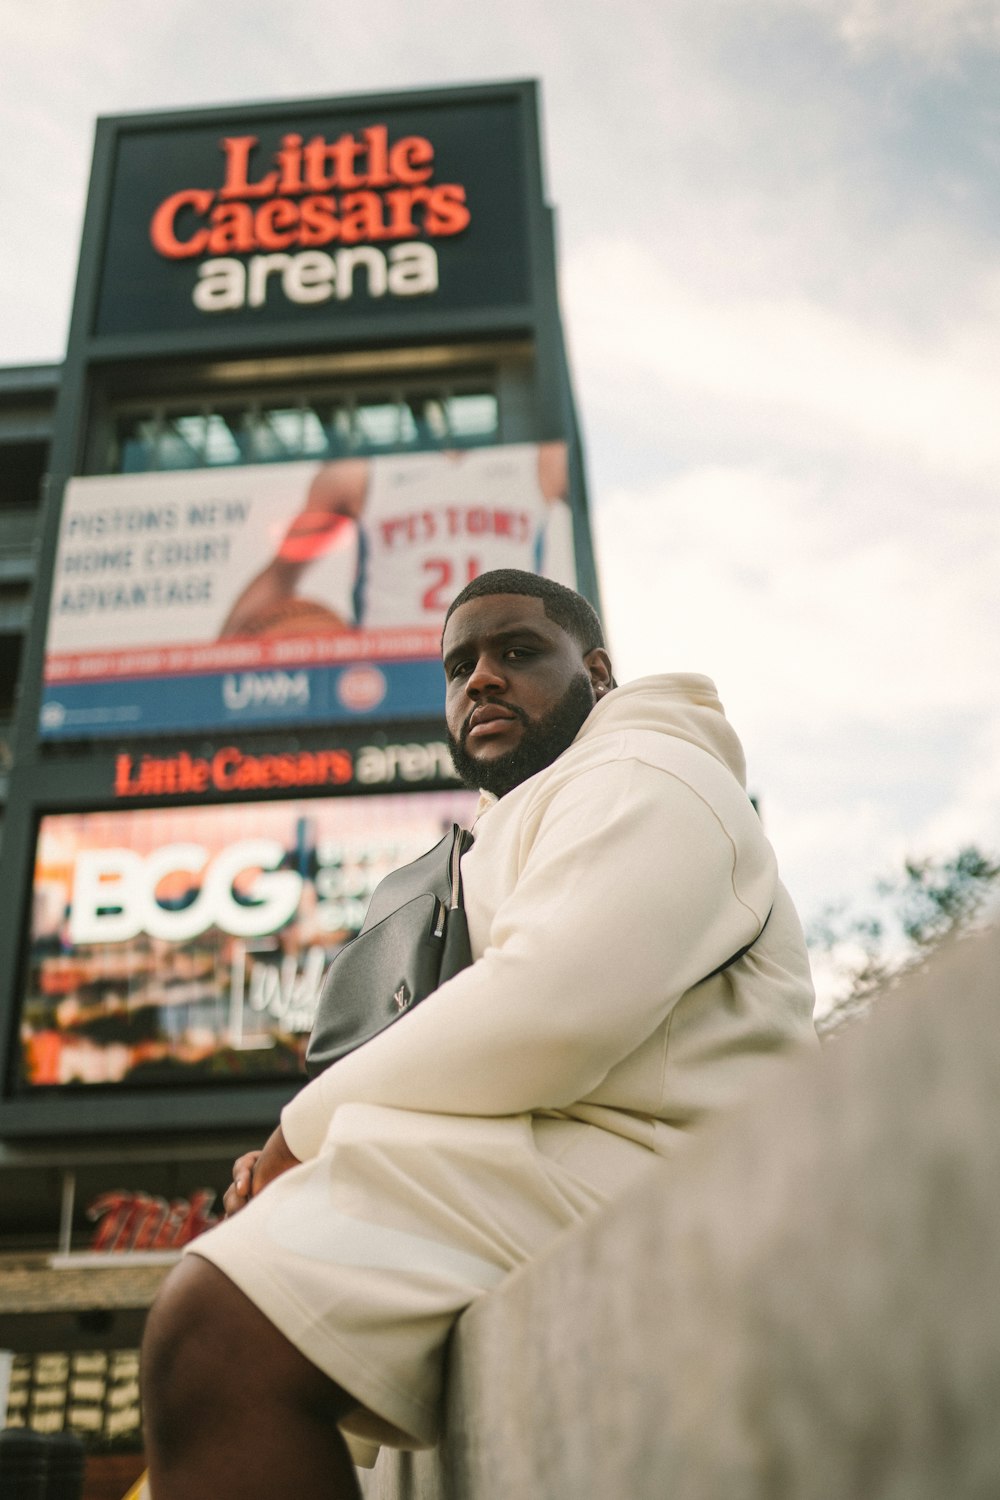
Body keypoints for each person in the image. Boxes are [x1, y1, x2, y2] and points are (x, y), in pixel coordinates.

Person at [142, 569, 816, 1499]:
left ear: (601, 673)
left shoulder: (649, 771)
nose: (483, 680)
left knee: (218, 1330)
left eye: (518, 651)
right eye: (460, 667)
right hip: (568, 1172)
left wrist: (297, 1140)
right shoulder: (525, 814)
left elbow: (547, 1010)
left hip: (673, 1181)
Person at [218, 443, 574, 637]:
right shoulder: (359, 472)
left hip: (498, 651)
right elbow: (283, 573)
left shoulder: (541, 458)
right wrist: (208, 670)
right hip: (395, 664)